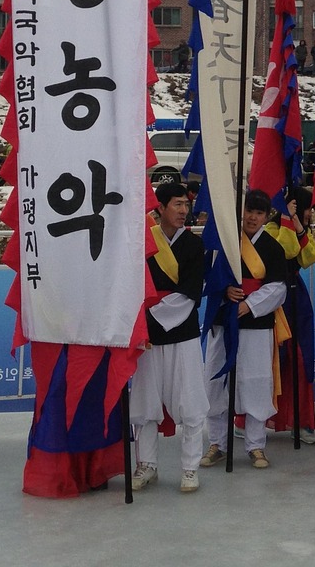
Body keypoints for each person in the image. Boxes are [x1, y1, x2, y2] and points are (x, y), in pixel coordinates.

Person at [130, 182, 207, 494]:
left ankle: (190, 468)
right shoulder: (143, 241)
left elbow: (190, 292)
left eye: (185, 205)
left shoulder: (193, 245)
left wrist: (148, 320)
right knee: (145, 401)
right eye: (176, 205)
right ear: (159, 207)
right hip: (148, 336)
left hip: (182, 332)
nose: (182, 211)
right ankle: (146, 464)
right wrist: (139, 324)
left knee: (189, 401)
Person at [201, 189, 287, 471]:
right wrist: (224, 291)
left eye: (259, 213)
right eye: (249, 211)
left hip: (255, 324)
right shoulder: (225, 242)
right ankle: (217, 443)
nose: (252, 217)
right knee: (216, 379)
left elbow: (278, 289)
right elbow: (209, 278)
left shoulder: (273, 248)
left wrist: (248, 305)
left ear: (266, 216)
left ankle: (255, 445)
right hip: (223, 318)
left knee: (255, 381)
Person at [265, 187, 315, 444]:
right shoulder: (270, 231)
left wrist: (298, 226)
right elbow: (285, 252)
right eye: (309, 207)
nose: (312, 213)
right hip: (273, 300)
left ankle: (302, 421)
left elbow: (310, 258)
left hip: (296, 296)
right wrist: (289, 221)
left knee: (301, 357)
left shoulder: (300, 229)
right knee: (271, 361)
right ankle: (248, 419)